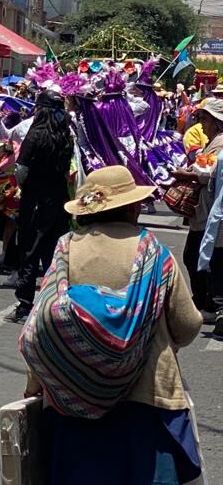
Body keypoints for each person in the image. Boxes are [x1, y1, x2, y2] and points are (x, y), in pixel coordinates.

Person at [20, 166, 202, 485]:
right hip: (146, 404)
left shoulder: (67, 249)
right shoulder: (153, 253)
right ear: (132, 207)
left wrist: (35, 382)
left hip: (72, 401)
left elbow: (45, 320)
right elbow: (187, 325)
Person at [6, 90, 75, 323]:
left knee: (30, 251)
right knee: (54, 251)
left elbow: (21, 169)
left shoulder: (35, 135)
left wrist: (25, 186)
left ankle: (25, 304)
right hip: (59, 198)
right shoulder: (66, 135)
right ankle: (54, 300)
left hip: (35, 199)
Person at [171, 99, 223, 321]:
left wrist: (188, 175)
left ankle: (208, 302)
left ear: (217, 122)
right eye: (199, 118)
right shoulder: (212, 141)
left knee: (200, 255)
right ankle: (205, 300)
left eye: (204, 119)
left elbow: (209, 174)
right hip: (204, 208)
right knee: (198, 255)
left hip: (210, 209)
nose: (200, 123)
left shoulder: (220, 143)